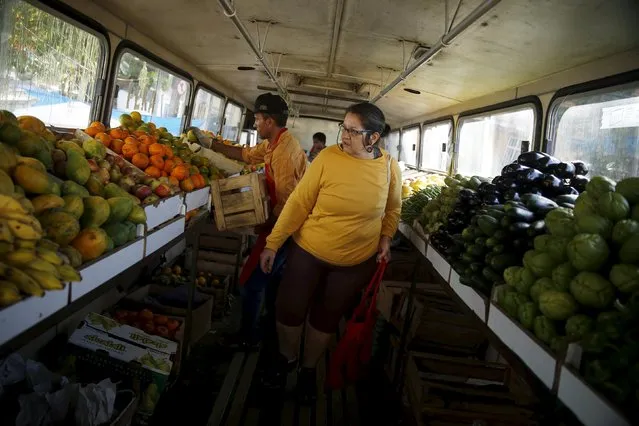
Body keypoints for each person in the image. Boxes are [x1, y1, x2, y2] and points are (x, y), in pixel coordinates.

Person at [259, 102, 401, 402]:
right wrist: (273, 242)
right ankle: (287, 360)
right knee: (289, 308)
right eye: (344, 127)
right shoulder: (327, 158)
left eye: (352, 130)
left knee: (326, 317)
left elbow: (392, 208)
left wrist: (386, 238)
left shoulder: (389, 167)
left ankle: (308, 370)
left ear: (373, 138)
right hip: (309, 249)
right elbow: (298, 202)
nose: (344, 135)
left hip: (354, 262)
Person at [210, 93, 307, 352]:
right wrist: (212, 145)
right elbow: (246, 154)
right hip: (279, 225)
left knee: (249, 283)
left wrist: (267, 232)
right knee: (272, 281)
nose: (255, 125)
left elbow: (287, 202)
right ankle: (269, 329)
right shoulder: (275, 143)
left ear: (270, 121)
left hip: (284, 227)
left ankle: (248, 336)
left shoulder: (285, 152)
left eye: (258, 119)